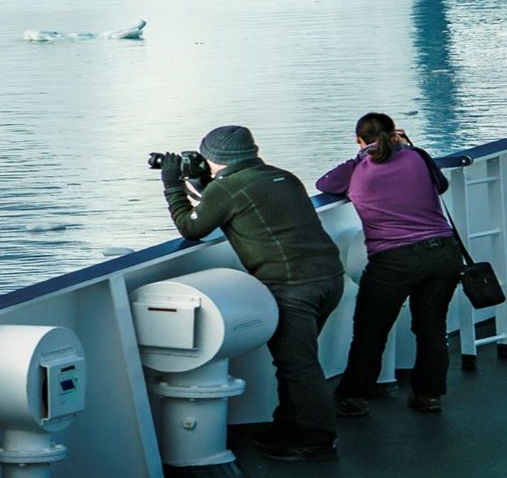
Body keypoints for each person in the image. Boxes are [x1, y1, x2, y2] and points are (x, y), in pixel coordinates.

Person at [161, 125, 345, 462]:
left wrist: (172, 185)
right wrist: (206, 185)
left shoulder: (228, 188)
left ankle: (318, 442)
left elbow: (191, 227)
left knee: (299, 367)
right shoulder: (282, 176)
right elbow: (240, 203)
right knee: (295, 364)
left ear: (213, 156)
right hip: (329, 279)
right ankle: (287, 429)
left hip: (292, 287)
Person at [316, 112, 462, 417]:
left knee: (371, 330)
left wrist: (362, 155)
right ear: (395, 134)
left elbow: (324, 183)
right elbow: (441, 185)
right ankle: (429, 396)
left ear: (358, 139)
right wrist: (407, 146)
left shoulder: (355, 169)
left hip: (394, 260)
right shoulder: (417, 157)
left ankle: (354, 397)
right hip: (443, 252)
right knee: (432, 327)